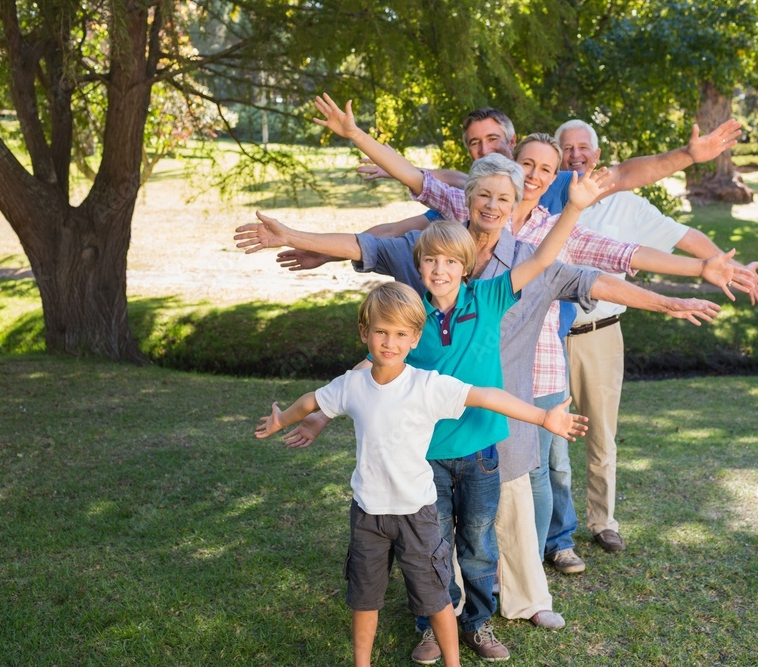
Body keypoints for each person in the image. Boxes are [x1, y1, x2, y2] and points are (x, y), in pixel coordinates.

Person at [235, 96, 724, 661]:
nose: (493, 205)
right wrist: (295, 234)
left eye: (507, 196)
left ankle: (484, 616)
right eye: (484, 195)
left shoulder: (505, 278)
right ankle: (431, 623)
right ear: (466, 204)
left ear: (522, 202)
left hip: (486, 431)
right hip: (422, 442)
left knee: (482, 536)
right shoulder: (433, 249)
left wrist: (671, 297)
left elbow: (603, 270)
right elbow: (369, 242)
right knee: (431, 542)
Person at [256, 281, 587, 667]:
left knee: (435, 597)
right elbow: (313, 399)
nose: (389, 342)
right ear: (365, 333)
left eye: (400, 334)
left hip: (417, 514)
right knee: (364, 597)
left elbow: (485, 396)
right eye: (380, 331)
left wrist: (543, 416)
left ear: (415, 338)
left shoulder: (425, 386)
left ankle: (453, 661)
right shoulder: (352, 385)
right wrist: (282, 419)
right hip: (367, 514)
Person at [537, 118, 758, 566]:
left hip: (600, 335)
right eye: (568, 148)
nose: (577, 155)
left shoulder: (627, 204)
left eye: (585, 147)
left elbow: (684, 237)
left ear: (598, 156)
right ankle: (555, 536)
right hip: (548, 336)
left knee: (602, 434)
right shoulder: (543, 198)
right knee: (550, 442)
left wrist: (722, 263)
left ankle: (604, 522)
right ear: (558, 157)